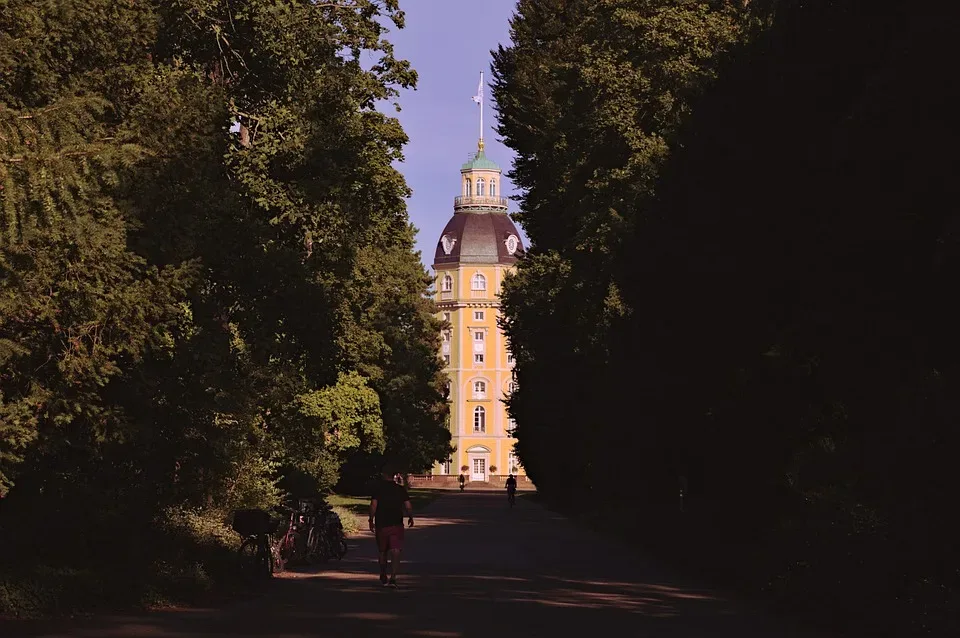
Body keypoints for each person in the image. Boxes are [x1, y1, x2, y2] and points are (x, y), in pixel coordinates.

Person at [369, 466, 414, 587]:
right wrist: (410, 517)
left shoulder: (378, 489)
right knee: (395, 550)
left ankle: (383, 573)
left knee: (382, 551)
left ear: (384, 475)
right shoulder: (400, 489)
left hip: (382, 524)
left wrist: (370, 519)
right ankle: (393, 577)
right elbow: (408, 505)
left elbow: (373, 505)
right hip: (396, 523)